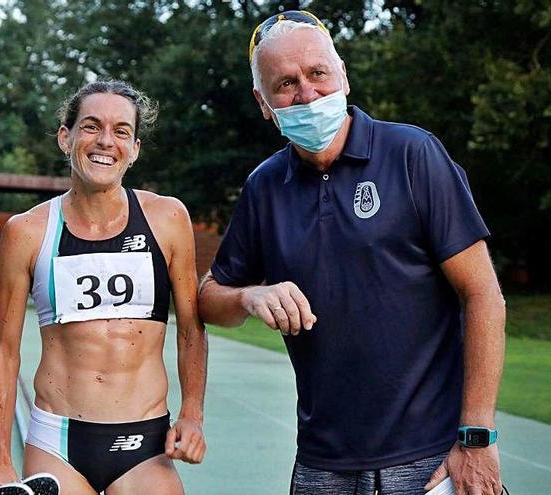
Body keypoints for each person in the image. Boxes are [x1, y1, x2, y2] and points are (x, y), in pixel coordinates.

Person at [198, 10, 506, 495]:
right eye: (285, 84)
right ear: (263, 102)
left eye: (317, 73)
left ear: (342, 73)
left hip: (429, 459)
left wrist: (477, 436)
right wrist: (250, 297)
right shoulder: (264, 187)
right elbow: (209, 298)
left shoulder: (413, 154)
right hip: (322, 464)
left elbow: (483, 294)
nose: (306, 93)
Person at [0, 80, 208, 495]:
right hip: (57, 440)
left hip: (146, 441)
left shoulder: (168, 218)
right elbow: (3, 349)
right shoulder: (26, 232)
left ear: (134, 148)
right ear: (65, 137)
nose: (106, 141)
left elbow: (192, 328)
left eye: (121, 131)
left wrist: (191, 413)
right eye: (91, 126)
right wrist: (0, 459)